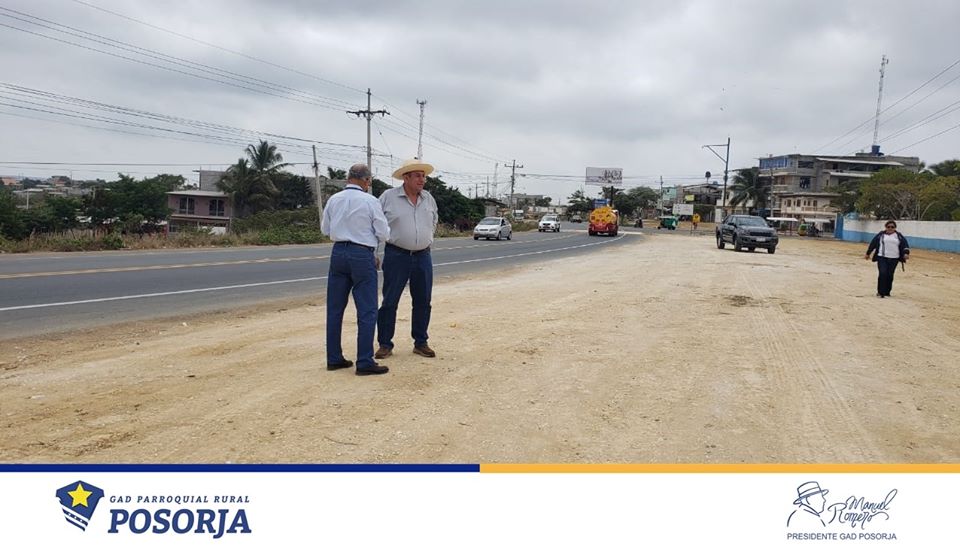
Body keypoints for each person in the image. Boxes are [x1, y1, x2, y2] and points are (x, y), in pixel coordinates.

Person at [320, 163, 390, 376]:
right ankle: (364, 361)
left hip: (338, 252)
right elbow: (383, 233)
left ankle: (334, 358)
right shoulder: (370, 201)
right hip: (361, 253)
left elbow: (325, 229)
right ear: (366, 180)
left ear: (348, 178)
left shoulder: (334, 199)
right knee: (367, 309)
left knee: (335, 309)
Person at [375, 158, 439, 360]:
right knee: (390, 301)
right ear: (406, 177)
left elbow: (434, 221)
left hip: (423, 256)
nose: (422, 180)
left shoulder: (428, 198)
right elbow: (375, 224)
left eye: (424, 176)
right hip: (397, 255)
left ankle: (421, 342)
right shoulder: (388, 197)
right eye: (418, 176)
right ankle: (385, 344)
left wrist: (427, 239)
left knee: (423, 301)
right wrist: (374, 252)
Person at [865, 220, 910, 298]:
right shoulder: (881, 235)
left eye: (892, 227)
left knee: (890, 275)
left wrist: (906, 253)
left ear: (895, 228)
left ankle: (887, 292)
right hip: (882, 257)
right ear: (885, 227)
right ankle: (880, 292)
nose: (890, 228)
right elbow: (873, 243)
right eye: (888, 227)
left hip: (894, 258)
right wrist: (868, 253)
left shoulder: (898, 236)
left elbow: (905, 245)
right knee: (882, 273)